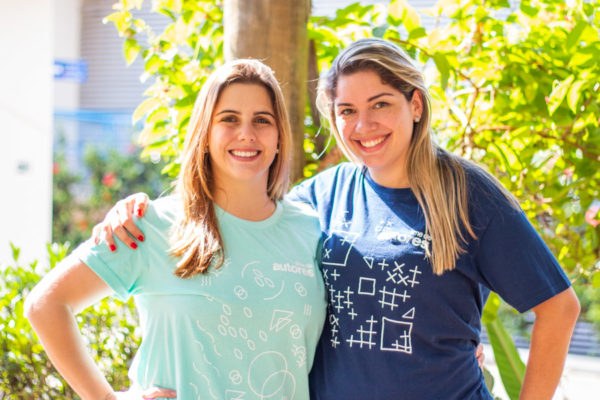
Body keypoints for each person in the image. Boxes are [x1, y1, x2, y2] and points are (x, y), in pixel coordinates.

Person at [91, 39, 580, 400]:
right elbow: (241, 221)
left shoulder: (468, 195)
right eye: (347, 111)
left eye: (380, 105)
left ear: (415, 104)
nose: (363, 125)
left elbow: (559, 308)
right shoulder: (322, 196)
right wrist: (138, 209)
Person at [25, 59, 327, 400]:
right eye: (229, 119)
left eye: (262, 120)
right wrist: (107, 399)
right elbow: (46, 305)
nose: (247, 133)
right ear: (205, 134)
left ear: (279, 137)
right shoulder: (148, 225)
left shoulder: (310, 230)